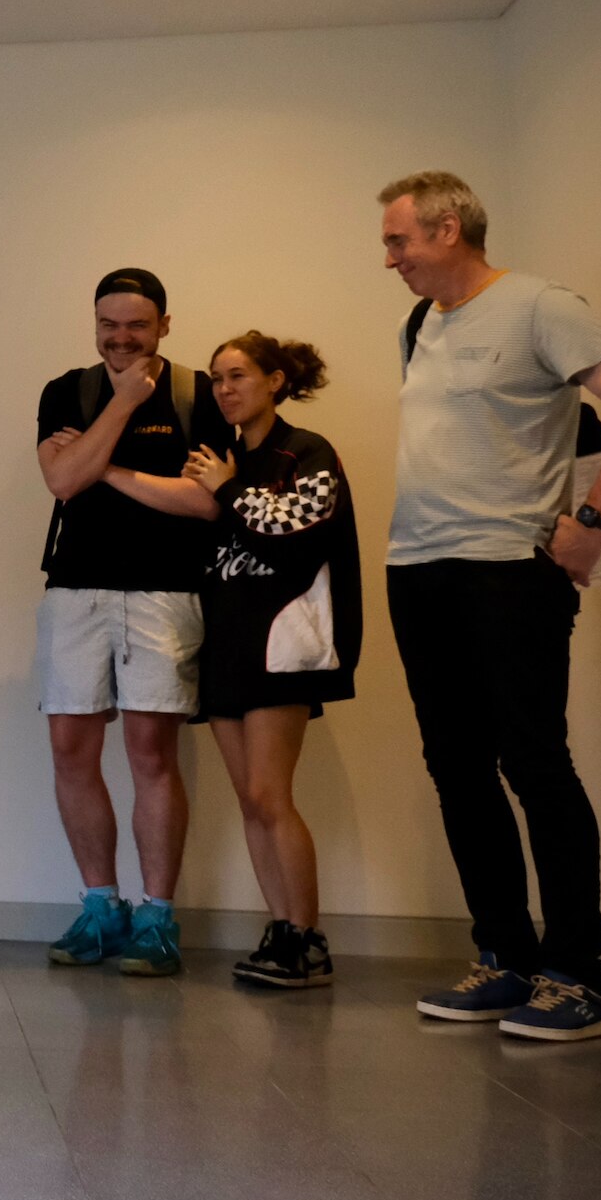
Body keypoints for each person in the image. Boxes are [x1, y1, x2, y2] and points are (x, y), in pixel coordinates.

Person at [380, 170, 601, 1042]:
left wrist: (592, 525)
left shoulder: (541, 306)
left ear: (447, 229)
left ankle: (577, 978)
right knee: (456, 768)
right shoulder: (419, 323)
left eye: (397, 240)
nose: (388, 258)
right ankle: (504, 960)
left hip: (508, 571)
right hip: (419, 568)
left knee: (534, 765)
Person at [100, 333, 359, 989]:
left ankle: (307, 938)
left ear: (275, 380)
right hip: (224, 646)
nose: (223, 388)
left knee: (273, 795)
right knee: (250, 800)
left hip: (282, 647)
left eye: (237, 375)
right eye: (216, 378)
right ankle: (280, 931)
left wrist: (229, 486)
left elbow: (297, 531)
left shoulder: (304, 452)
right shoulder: (216, 459)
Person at [33, 269, 232, 978]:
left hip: (164, 593)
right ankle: (99, 907)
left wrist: (101, 466)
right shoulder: (68, 390)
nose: (121, 338)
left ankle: (156, 918)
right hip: (74, 592)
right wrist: (119, 408)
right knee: (69, 750)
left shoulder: (200, 396)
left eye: (136, 326)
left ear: (164, 326)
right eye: (108, 325)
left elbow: (206, 504)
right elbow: (58, 483)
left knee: (150, 754)